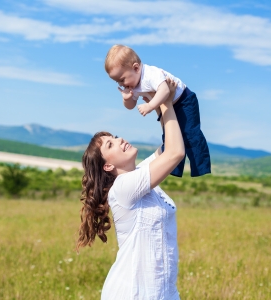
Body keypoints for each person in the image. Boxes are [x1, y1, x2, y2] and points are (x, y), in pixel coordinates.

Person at [77, 78, 184, 300]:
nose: (120, 140)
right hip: (132, 294)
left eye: (114, 137)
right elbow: (175, 153)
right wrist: (164, 103)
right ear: (108, 166)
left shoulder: (139, 175)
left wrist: (154, 94)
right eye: (110, 144)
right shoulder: (123, 188)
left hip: (163, 293)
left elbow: (171, 143)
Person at [105, 44, 211, 178]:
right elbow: (131, 105)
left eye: (122, 79)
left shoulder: (150, 74)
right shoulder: (133, 84)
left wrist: (150, 106)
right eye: (117, 82)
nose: (122, 84)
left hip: (184, 100)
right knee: (170, 137)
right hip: (168, 105)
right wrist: (127, 99)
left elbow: (165, 90)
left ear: (136, 68)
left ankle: (201, 167)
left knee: (190, 133)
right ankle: (173, 169)